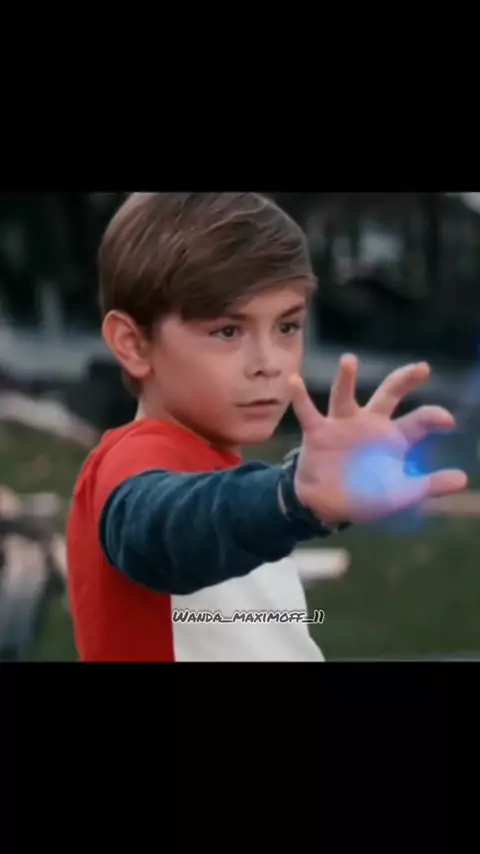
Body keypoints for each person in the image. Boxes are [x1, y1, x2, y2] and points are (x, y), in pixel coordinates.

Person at [66, 193, 467, 662]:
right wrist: (289, 497)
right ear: (133, 344)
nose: (268, 362)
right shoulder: (134, 461)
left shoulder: (237, 491)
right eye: (227, 331)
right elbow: (163, 528)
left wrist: (295, 499)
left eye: (287, 327)